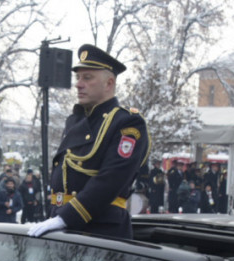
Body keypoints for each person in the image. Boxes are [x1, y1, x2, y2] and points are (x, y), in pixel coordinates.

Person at [29, 44, 150, 240]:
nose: (78, 84)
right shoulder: (76, 121)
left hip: (101, 232)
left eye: (87, 78)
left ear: (109, 84)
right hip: (65, 227)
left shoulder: (127, 122)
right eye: (78, 78)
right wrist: (56, 218)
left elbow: (111, 179)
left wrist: (65, 218)